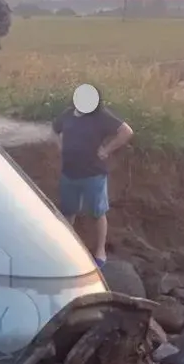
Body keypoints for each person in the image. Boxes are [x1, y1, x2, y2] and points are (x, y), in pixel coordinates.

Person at [51, 94, 134, 269]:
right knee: (68, 213)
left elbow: (126, 131)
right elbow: (54, 130)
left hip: (93, 174)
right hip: (69, 173)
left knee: (97, 213)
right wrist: (60, 147)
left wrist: (107, 149)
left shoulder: (101, 115)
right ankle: (68, 249)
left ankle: (100, 251)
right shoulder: (68, 114)